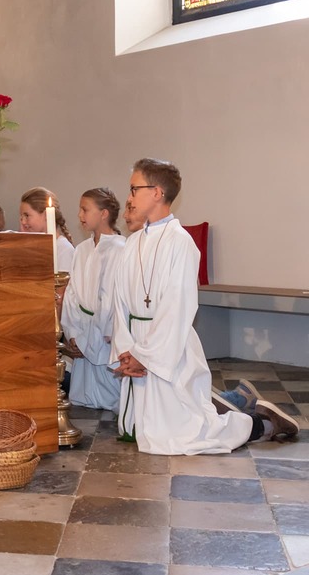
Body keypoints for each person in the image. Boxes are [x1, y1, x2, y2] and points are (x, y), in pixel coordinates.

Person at [110, 158, 298, 454]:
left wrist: (144, 355)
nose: (129, 197)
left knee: (184, 436)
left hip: (167, 351)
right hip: (137, 348)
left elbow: (177, 308)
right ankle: (241, 406)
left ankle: (263, 425)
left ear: (157, 192)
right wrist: (125, 349)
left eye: (135, 189)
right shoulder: (133, 243)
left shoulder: (180, 242)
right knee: (145, 432)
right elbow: (119, 301)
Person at [61, 188, 125, 411]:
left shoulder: (120, 248)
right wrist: (73, 333)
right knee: (83, 400)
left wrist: (102, 333)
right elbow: (72, 294)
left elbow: (114, 296)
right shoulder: (82, 249)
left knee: (111, 397)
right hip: (82, 329)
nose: (80, 215)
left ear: (104, 214)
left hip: (104, 334)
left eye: (85, 210)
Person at [19, 187, 74, 273]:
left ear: (46, 215)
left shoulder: (64, 250)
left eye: (27, 216)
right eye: (21, 216)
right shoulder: (32, 248)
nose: (23, 221)